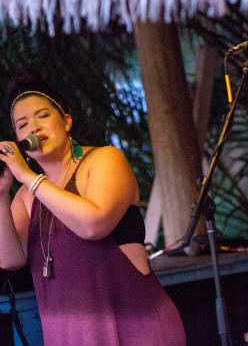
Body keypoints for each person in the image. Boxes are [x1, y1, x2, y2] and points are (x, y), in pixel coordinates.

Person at [0, 69, 186, 345]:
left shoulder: (104, 160)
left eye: (43, 115)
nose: (34, 129)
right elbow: (9, 259)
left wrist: (28, 176)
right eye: (23, 124)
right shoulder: (26, 197)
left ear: (66, 121)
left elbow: (93, 224)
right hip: (72, 336)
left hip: (135, 328)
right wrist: (2, 195)